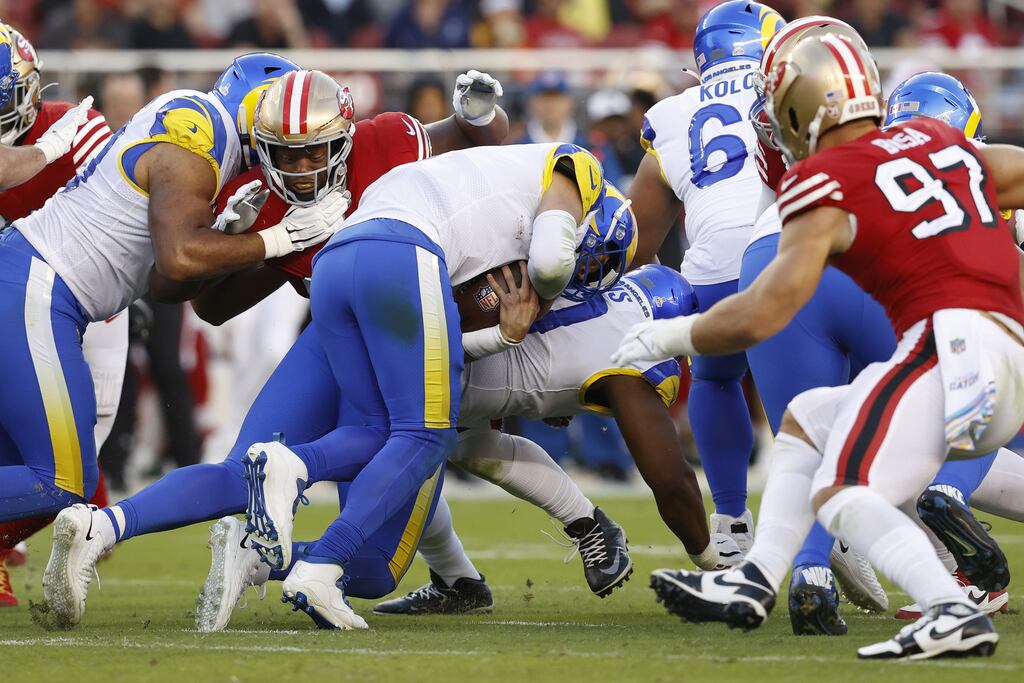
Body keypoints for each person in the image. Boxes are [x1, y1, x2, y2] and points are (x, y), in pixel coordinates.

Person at [39, 67, 510, 628]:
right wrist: (258, 245)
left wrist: (479, 111)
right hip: (340, 340)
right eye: (285, 155)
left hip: (409, 336)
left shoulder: (386, 140)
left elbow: (480, 136)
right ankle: (103, 527)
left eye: (315, 153)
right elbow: (200, 302)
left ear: (345, 135)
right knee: (261, 476)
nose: (301, 170)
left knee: (376, 560)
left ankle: (272, 558)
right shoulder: (257, 193)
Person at [616, 32, 1024, 660]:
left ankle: (950, 608)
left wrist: (672, 335)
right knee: (810, 421)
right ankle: (754, 579)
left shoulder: (824, 180)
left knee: (843, 492)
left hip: (953, 354)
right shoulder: (940, 142)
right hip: (997, 351)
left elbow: (762, 313)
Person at [237, 142, 631, 630]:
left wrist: (515, 339)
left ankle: (564, 532)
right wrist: (506, 332)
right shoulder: (531, 220)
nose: (583, 273)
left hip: (438, 349)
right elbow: (538, 273)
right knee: (428, 448)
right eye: (586, 261)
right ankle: (459, 572)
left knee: (435, 450)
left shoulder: (517, 237)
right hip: (424, 342)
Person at [26, 52, 355, 626]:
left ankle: (100, 529)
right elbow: (178, 262)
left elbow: (174, 287)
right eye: (278, 130)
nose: (290, 154)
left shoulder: (225, 149)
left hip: (70, 299)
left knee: (66, 470)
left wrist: (232, 239)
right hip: (44, 285)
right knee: (59, 480)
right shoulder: (200, 127)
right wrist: (275, 240)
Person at [371, 264, 739, 616]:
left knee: (452, 447)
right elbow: (671, 479)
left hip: (441, 351)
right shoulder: (632, 355)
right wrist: (709, 556)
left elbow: (561, 348)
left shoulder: (595, 291)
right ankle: (575, 529)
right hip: (449, 369)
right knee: (430, 449)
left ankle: (464, 576)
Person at [628, 0, 784, 555]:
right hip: (791, 254)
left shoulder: (671, 114)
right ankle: (832, 525)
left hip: (714, 267)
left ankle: (732, 521)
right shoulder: (790, 84)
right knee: (820, 391)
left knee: (717, 379)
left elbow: (637, 243)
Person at [0, 23, 117, 609]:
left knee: (81, 443)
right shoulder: (56, 137)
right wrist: (46, 151)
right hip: (14, 301)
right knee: (57, 470)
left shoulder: (77, 123)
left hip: (82, 303)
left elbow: (126, 205)